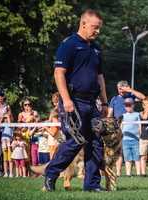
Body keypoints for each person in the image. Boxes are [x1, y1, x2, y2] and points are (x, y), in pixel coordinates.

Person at [43, 9, 108, 192]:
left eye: (99, 28)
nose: (98, 32)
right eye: (95, 28)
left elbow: (100, 76)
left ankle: (92, 184)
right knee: (75, 141)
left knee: (95, 142)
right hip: (73, 102)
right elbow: (59, 73)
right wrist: (66, 100)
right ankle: (50, 175)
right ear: (84, 23)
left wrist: (104, 102)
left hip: (92, 103)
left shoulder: (96, 48)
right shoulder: (69, 44)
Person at [107, 80, 145, 176]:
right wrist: (109, 125)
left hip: (132, 131)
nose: (120, 90)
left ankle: (134, 173)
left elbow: (143, 98)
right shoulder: (114, 99)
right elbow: (109, 114)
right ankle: (118, 173)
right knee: (118, 152)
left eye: (122, 88)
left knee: (133, 153)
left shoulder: (131, 97)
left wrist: (130, 90)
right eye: (119, 88)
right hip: (118, 129)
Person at [120, 98, 141, 176]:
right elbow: (121, 127)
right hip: (125, 140)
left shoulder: (137, 114)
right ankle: (128, 174)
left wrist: (139, 136)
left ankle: (138, 174)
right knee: (127, 158)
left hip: (135, 140)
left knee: (137, 157)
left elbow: (139, 126)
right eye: (126, 105)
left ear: (133, 105)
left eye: (129, 105)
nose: (128, 107)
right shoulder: (123, 116)